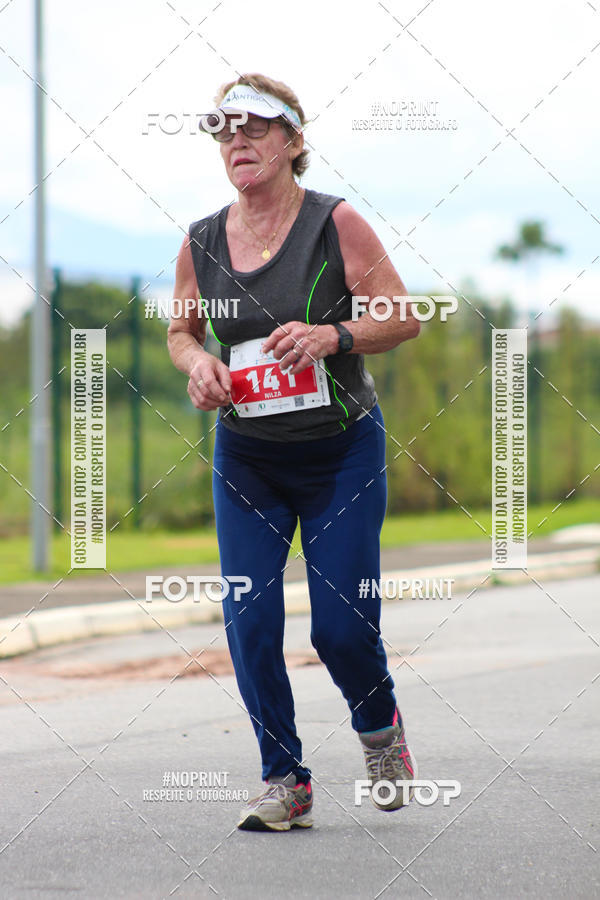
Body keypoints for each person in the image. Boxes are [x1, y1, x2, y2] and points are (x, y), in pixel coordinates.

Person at [167, 73, 421, 832]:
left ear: (292, 141)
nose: (236, 139)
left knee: (340, 627)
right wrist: (198, 367)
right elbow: (182, 331)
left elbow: (401, 315)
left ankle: (380, 733)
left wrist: (332, 336)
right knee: (248, 620)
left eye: (254, 125)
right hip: (248, 458)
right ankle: (285, 780)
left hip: (340, 452)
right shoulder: (202, 240)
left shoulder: (334, 224)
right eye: (223, 129)